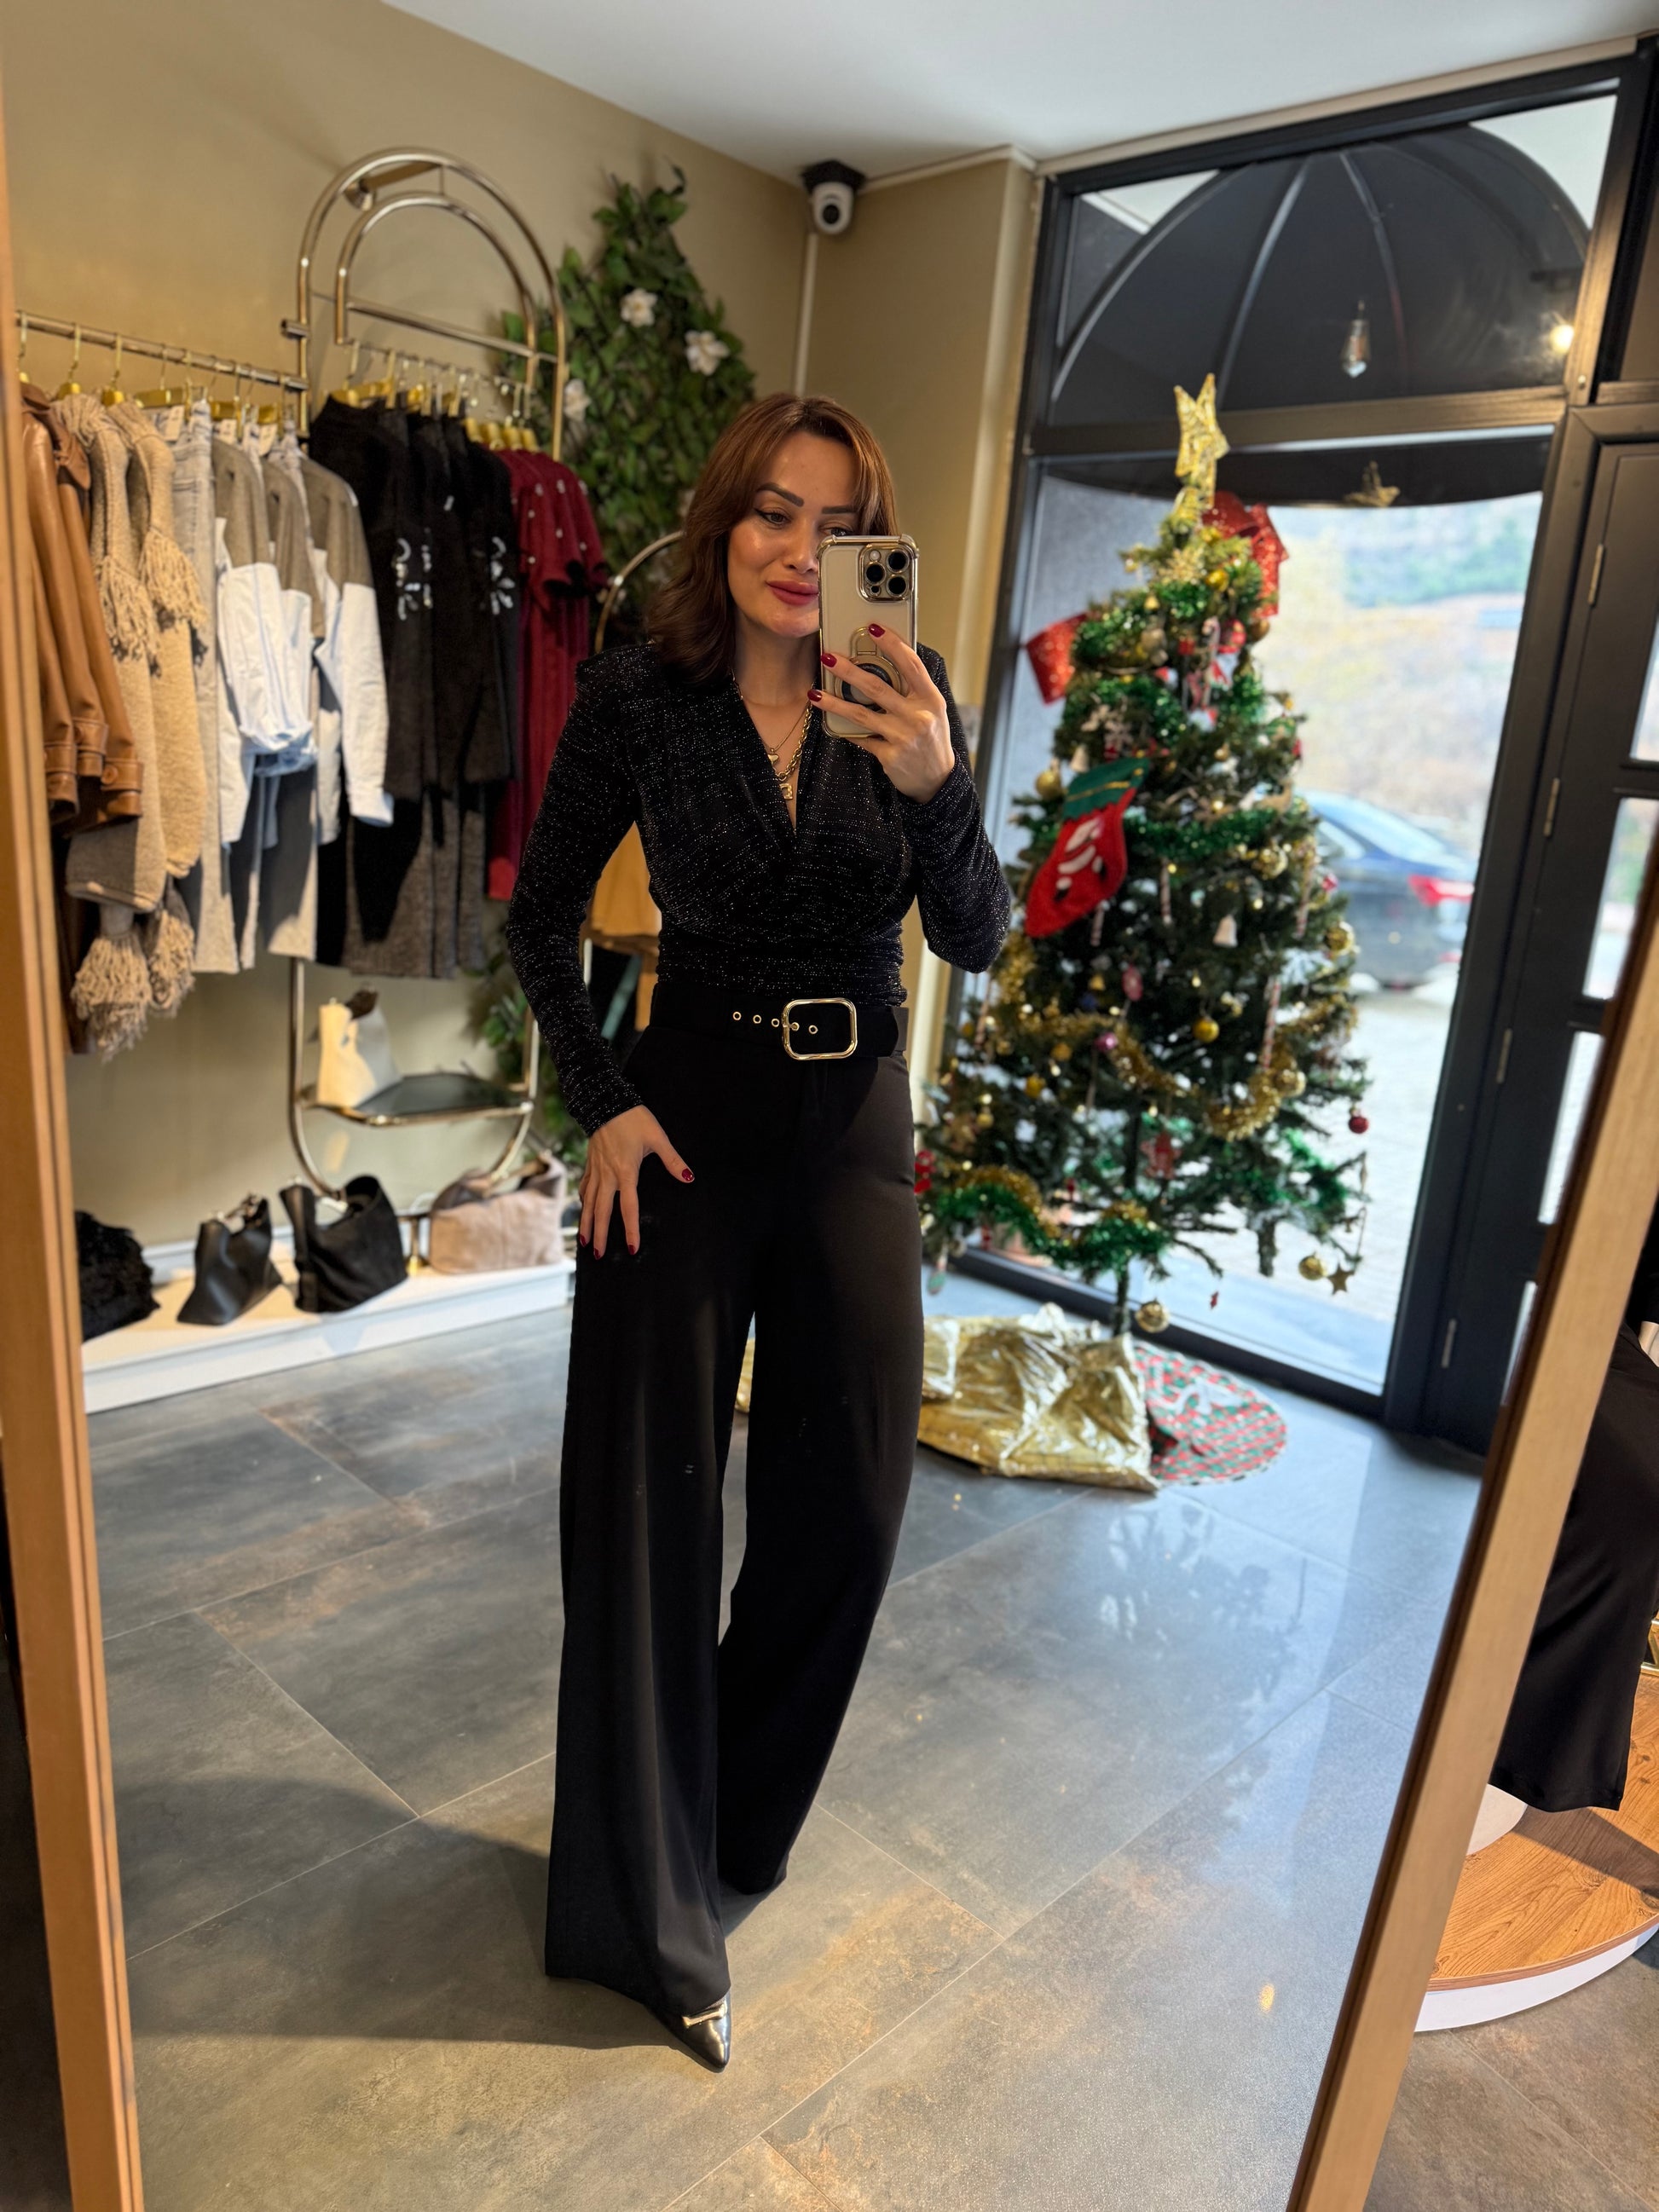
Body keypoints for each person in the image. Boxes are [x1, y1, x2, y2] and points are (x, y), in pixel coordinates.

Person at [505, 392, 1009, 2068]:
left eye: (840, 524)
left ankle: (722, 1828)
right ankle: (643, 1914)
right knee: (646, 1509)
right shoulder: (641, 696)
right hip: (687, 1115)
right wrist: (600, 1099)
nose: (801, 550)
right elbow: (540, 914)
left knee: (849, 1500)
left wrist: (936, 782)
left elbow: (979, 932)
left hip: (854, 1120)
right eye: (773, 512)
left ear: (874, 548)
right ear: (724, 522)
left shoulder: (907, 702)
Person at [1487, 1199, 1659, 1817]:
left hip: (1589, 1304)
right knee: (1637, 1502)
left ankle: (1537, 1742)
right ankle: (1517, 1739)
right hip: (1516, 1294)